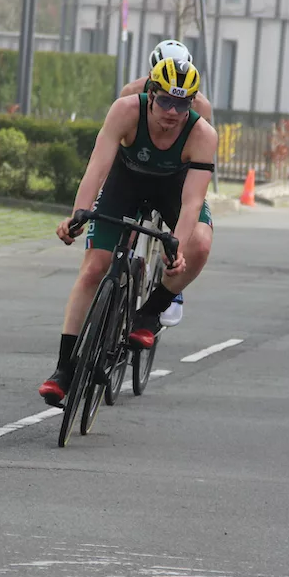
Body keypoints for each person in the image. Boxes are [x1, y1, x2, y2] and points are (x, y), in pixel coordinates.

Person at [38, 57, 217, 407]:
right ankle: (63, 369)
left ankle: (150, 312)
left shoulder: (202, 134)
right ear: (151, 93)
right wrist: (78, 215)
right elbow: (97, 167)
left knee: (200, 244)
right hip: (126, 183)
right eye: (165, 101)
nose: (172, 112)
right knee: (94, 267)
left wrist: (175, 248)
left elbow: (192, 202)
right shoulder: (126, 110)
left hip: (174, 190)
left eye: (181, 105)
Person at [116, 39, 214, 327]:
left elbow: (199, 155)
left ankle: (171, 287)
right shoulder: (131, 93)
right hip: (137, 169)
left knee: (188, 232)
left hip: (175, 175)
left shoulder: (201, 106)